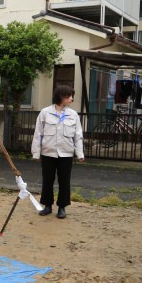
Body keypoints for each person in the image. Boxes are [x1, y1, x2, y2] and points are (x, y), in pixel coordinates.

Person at [31, 85, 84, 219]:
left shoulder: (73, 115)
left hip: (66, 153)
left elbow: (78, 136)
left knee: (64, 180)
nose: (72, 98)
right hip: (48, 152)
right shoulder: (45, 112)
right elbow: (38, 133)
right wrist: (36, 153)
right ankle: (47, 205)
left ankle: (62, 207)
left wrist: (80, 154)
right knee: (48, 180)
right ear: (61, 97)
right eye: (69, 96)